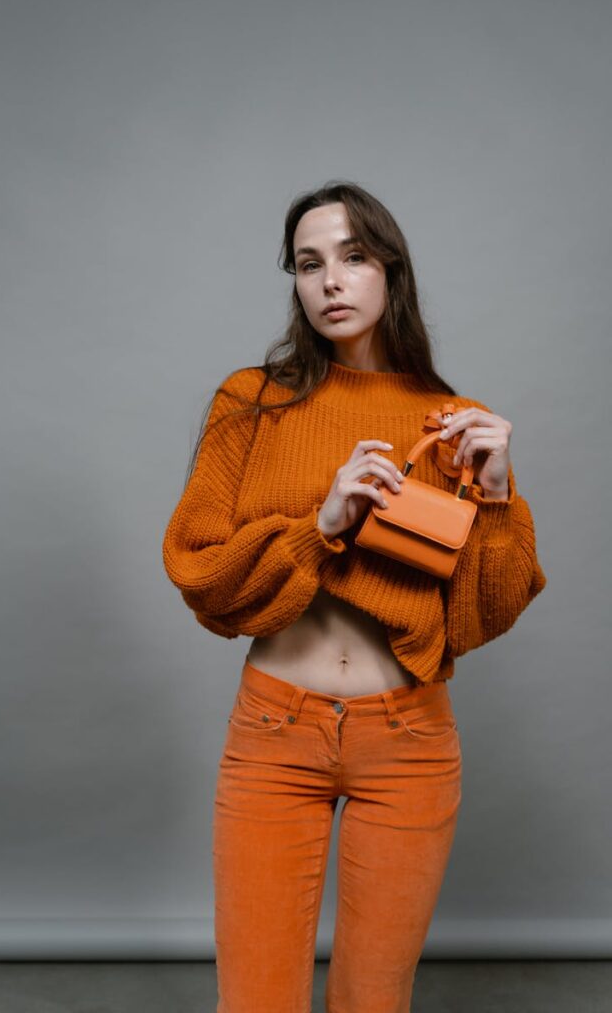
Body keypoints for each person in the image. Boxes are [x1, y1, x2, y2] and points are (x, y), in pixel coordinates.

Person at [162, 180, 547, 1013]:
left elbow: (486, 613)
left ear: (390, 273)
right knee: (256, 999)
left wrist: (497, 492)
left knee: (374, 1000)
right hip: (273, 733)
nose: (330, 280)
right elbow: (202, 577)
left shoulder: (451, 423)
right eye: (308, 263)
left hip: (408, 740)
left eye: (353, 257)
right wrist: (320, 523)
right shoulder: (252, 401)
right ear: (295, 282)